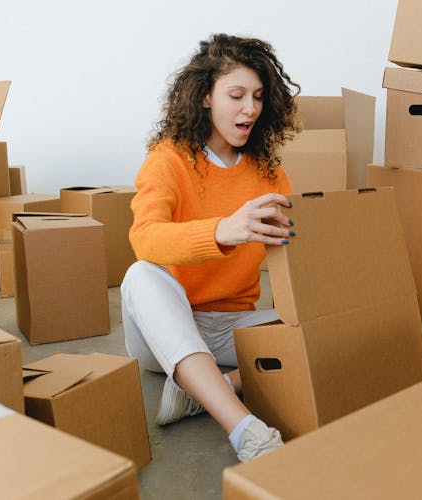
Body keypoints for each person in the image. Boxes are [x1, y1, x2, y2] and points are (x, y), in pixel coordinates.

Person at [120, 33, 300, 462]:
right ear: (204, 97)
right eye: (236, 95)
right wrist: (221, 231)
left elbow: (294, 255)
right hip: (165, 324)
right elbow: (144, 238)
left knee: (332, 320)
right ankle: (245, 431)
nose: (250, 108)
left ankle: (202, 391)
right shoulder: (168, 160)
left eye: (258, 96)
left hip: (232, 327)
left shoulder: (270, 176)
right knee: (140, 274)